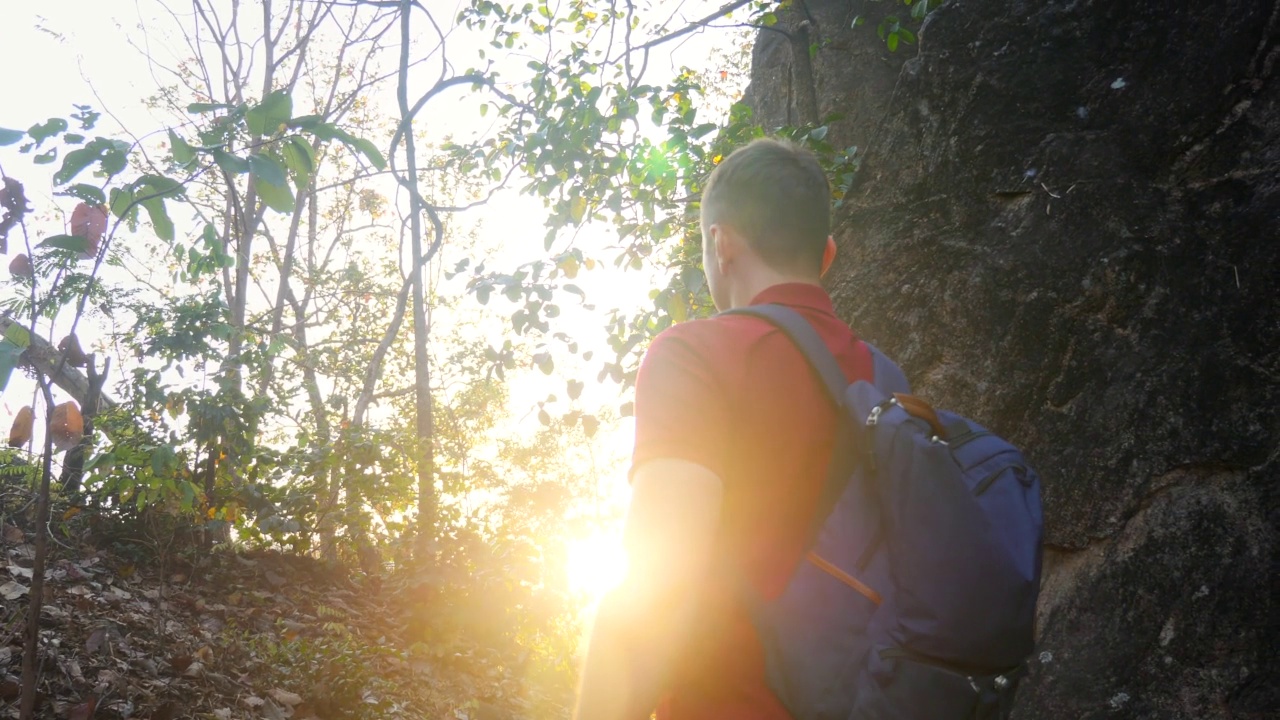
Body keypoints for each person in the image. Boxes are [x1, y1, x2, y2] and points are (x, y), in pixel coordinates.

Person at [574, 138, 875, 720]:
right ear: (827, 255)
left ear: (721, 242)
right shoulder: (886, 383)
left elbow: (657, 584)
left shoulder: (697, 353)